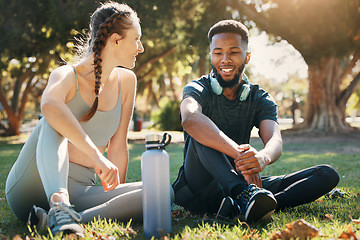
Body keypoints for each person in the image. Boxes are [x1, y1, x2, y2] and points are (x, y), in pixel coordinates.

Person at [172, 20, 339, 223]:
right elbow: (190, 119)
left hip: (240, 177)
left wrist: (262, 159)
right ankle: (244, 195)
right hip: (201, 186)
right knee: (201, 129)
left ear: (247, 57)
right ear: (211, 56)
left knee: (327, 174)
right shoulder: (198, 88)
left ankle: (252, 205)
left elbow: (275, 140)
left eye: (233, 52)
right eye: (218, 53)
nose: (225, 59)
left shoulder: (259, 97)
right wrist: (241, 157)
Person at [5, 1, 145, 236]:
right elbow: (49, 105)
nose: (140, 48)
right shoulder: (67, 75)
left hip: (81, 192)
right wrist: (96, 157)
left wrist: (114, 191)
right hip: (32, 186)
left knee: (161, 191)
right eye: (136, 38)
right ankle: (58, 203)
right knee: (54, 117)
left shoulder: (127, 81)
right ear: (115, 39)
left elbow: (118, 146)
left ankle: (61, 218)